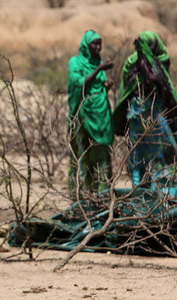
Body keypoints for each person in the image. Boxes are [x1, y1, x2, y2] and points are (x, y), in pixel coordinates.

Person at [113, 31, 177, 197]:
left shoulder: (132, 62)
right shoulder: (159, 63)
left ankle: (141, 192)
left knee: (138, 155)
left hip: (135, 115)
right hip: (154, 116)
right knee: (164, 153)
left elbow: (125, 91)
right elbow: (167, 90)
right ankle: (168, 194)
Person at [67, 30, 115, 195]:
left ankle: (100, 194)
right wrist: (99, 69)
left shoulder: (97, 63)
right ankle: (80, 196)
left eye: (100, 43)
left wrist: (105, 86)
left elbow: (95, 88)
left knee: (101, 155)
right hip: (82, 115)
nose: (98, 47)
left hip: (100, 115)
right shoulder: (75, 63)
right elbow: (79, 84)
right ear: (85, 46)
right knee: (82, 154)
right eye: (94, 44)